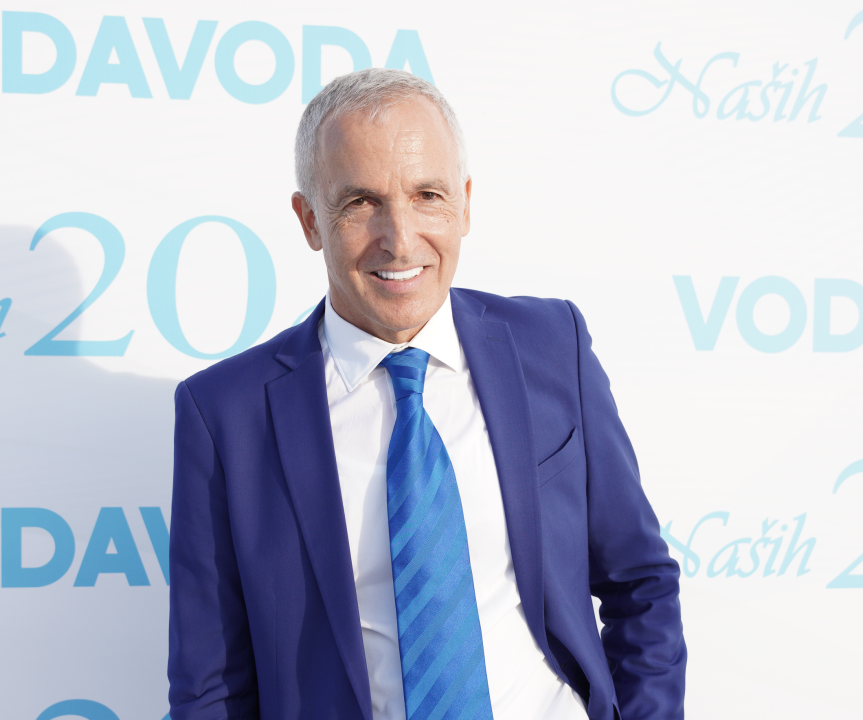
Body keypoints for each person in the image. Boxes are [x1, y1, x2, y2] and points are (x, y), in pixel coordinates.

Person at [167, 68, 686, 720]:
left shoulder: (554, 346)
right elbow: (210, 687)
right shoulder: (226, 415)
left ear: (464, 204)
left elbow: (640, 582)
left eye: (427, 195)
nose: (401, 238)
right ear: (309, 220)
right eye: (361, 202)